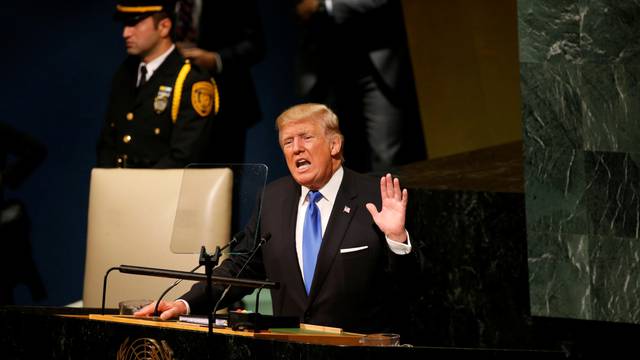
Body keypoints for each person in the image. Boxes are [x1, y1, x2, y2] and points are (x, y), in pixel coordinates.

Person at [136, 103, 422, 333]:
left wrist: (397, 240)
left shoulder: (377, 196)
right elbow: (241, 268)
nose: (296, 148)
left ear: (335, 145)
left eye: (306, 137)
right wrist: (186, 303)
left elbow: (411, 291)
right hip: (288, 348)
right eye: (287, 141)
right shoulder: (273, 199)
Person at [293, 0, 427, 173]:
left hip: (374, 60)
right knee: (337, 158)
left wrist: (325, 5)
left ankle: (383, 201)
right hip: (326, 64)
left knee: (385, 158)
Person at [97, 0, 218, 168]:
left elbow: (184, 156)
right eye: (125, 25)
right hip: (119, 186)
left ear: (164, 27)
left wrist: (140, 188)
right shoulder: (125, 73)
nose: (125, 33)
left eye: (134, 24)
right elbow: (107, 143)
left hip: (164, 189)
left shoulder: (190, 80)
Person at [173, 0, 265, 163]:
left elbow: (256, 45)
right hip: (173, 96)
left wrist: (216, 59)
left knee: (223, 174)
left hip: (226, 101)